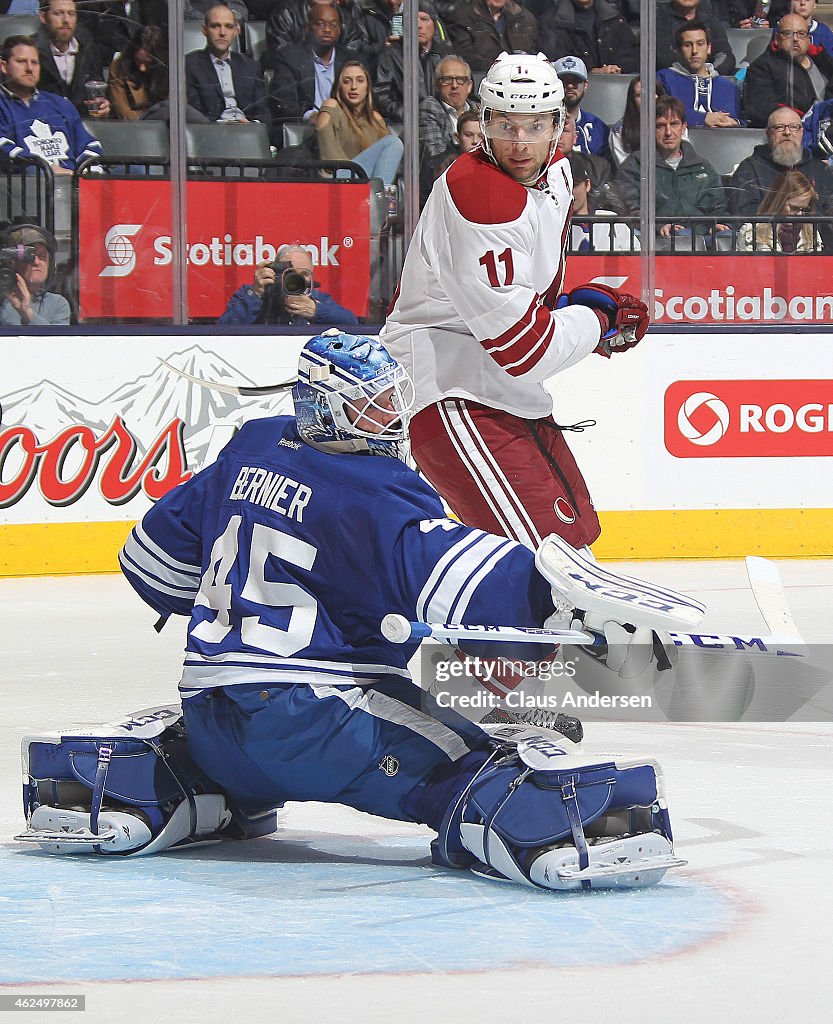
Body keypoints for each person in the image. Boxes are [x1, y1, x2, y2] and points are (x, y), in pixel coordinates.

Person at [18, 329, 684, 897]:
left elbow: (150, 566)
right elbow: (449, 574)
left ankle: (177, 785)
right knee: (473, 761)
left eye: (390, 402)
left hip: (215, 723)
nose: (388, 420)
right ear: (323, 410)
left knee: (274, 734)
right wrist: (553, 600)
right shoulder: (373, 488)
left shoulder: (246, 450)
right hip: (318, 723)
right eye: (369, 408)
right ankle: (533, 823)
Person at [381, 52, 649, 551]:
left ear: (559, 125)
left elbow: (526, 295)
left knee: (577, 534)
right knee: (547, 554)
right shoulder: (480, 195)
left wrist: (569, 303)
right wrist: (596, 322)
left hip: (501, 386)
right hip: (449, 388)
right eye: (506, 125)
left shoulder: (559, 175)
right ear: (485, 122)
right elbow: (524, 351)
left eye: (535, 125)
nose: (520, 143)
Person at [619, 95, 728, 246]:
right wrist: (657, 226)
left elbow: (718, 207)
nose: (668, 132)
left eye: (674, 124)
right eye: (661, 126)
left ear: (684, 127)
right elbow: (629, 208)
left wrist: (717, 224)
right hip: (657, 240)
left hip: (701, 237)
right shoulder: (635, 166)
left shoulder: (702, 166)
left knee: (727, 237)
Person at [0, 35, 102, 173]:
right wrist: (48, 170)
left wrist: (85, 174)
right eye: (21, 61)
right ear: (4, 66)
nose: (29, 68)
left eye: (34, 62)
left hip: (73, 183)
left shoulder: (60, 103)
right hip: (27, 187)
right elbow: (4, 149)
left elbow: (90, 144)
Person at [268, 2, 360, 136]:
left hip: (344, 126)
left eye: (333, 25)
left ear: (339, 30)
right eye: (321, 24)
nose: (327, 29)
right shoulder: (289, 57)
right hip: (306, 128)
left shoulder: (350, 59)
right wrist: (310, 116)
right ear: (308, 28)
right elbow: (284, 101)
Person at [218, 243, 359, 325]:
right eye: (291, 274)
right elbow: (224, 329)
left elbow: (351, 323)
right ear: (277, 273)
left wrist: (317, 311)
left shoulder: (316, 298)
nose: (297, 281)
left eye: (304, 274)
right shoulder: (252, 293)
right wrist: (256, 295)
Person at [728, 104, 832, 213]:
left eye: (794, 127)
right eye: (779, 127)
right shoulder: (750, 169)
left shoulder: (819, 170)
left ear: (802, 132)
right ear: (768, 133)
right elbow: (742, 213)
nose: (787, 132)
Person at [315, 60, 404, 184]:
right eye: (347, 81)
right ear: (339, 87)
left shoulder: (375, 119)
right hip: (337, 179)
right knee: (393, 142)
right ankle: (376, 197)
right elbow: (329, 158)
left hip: (362, 181)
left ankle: (375, 196)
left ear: (368, 86)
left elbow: (387, 163)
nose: (353, 87)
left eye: (360, 80)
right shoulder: (332, 107)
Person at [741, 11, 833, 126]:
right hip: (793, 131)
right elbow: (761, 108)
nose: (795, 39)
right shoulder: (761, 68)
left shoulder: (824, 63)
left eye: (801, 33)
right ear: (777, 39)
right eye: (788, 33)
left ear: (808, 39)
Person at [185, 3, 271, 125]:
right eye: (215, 26)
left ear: (236, 31)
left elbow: (263, 112)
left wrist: (253, 126)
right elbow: (194, 113)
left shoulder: (251, 66)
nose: (222, 32)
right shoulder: (190, 64)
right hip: (211, 132)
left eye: (229, 26)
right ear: (204, 30)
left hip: (247, 131)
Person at [657, 21, 744, 128]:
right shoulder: (663, 79)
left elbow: (743, 122)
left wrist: (735, 124)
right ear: (678, 50)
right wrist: (702, 118)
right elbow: (659, 113)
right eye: (688, 45)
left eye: (700, 43)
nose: (694, 51)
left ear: (709, 48)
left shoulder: (729, 87)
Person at [33, 0, 111, 119]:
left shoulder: (89, 48)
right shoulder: (31, 51)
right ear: (43, 17)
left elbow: (97, 90)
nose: (66, 20)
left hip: (83, 125)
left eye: (71, 13)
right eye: (58, 13)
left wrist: (104, 106)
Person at [374, 0, 450, 122]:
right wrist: (411, 115)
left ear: (434, 25)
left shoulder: (446, 55)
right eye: (413, 19)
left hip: (444, 122)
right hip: (406, 125)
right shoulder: (390, 55)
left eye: (424, 19)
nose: (418, 25)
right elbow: (381, 96)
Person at [418, 54, 477, 193]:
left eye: (460, 80)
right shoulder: (430, 106)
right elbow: (436, 156)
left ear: (469, 86)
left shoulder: (479, 110)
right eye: (447, 80)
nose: (454, 85)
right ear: (437, 85)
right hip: (443, 184)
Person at [0, 220, 70, 325]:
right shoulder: (2, 302)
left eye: (42, 256)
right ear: (12, 262)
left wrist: (26, 311)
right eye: (29, 256)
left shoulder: (57, 303)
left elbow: (55, 341)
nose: (36, 262)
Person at [541, 0, 639, 74]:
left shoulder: (616, 20)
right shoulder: (551, 23)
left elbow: (630, 56)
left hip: (616, 89)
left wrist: (617, 69)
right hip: (572, 90)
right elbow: (554, 63)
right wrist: (594, 71)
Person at [737, 168, 824, 250]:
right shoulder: (751, 233)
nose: (799, 214)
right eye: (794, 208)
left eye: (804, 210)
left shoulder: (811, 234)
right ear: (778, 202)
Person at [568, 150, 636, 251]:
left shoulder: (612, 220)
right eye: (566, 186)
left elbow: (635, 259)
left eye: (575, 185)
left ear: (588, 185)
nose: (570, 192)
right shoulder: (555, 226)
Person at [445, 0, 538, 72]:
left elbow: (533, 54)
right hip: (481, 78)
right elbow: (464, 56)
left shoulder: (524, 18)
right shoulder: (462, 17)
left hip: (521, 79)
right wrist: (500, 67)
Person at [656, 0, 736, 76]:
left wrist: (709, 74)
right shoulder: (656, 19)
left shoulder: (711, 21)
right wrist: (688, 75)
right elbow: (662, 56)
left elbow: (725, 56)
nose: (694, 51)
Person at [106, 24, 168, 121]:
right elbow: (123, 113)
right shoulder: (119, 67)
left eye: (149, 63)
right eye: (138, 60)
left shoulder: (170, 71)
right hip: (132, 128)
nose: (142, 68)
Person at [553, 55, 609, 158]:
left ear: (585, 85)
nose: (570, 86)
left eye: (575, 81)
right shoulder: (543, 125)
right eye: (564, 81)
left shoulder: (599, 128)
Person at [608, 76, 667, 167]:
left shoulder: (675, 124)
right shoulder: (620, 130)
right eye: (640, 95)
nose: (647, 98)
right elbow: (626, 169)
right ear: (633, 100)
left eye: (652, 93)